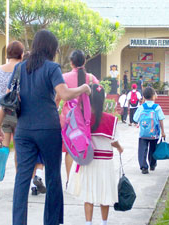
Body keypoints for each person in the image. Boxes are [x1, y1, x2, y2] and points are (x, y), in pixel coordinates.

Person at [0, 30, 91, 225]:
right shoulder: (52, 68)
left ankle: (18, 222)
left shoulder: (20, 68)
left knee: (22, 178)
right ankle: (52, 222)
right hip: (48, 129)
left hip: (24, 131)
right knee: (53, 176)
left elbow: (7, 99)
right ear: (50, 48)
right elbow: (63, 94)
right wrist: (83, 88)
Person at [0, 41, 46, 196]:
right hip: (20, 112)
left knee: (3, 148)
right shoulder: (23, 68)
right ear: (21, 54)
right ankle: (20, 183)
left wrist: (1, 98)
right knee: (20, 151)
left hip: (3, 111)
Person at [67, 84, 124, 225]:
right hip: (105, 162)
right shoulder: (111, 120)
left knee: (88, 193)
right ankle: (104, 222)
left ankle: (88, 223)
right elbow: (114, 141)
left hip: (88, 160)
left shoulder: (82, 119)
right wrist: (119, 148)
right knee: (105, 194)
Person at [56, 49, 99, 186]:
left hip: (69, 119)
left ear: (71, 62)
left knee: (70, 149)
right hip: (87, 119)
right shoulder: (92, 78)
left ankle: (70, 180)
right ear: (84, 61)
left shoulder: (64, 77)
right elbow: (99, 97)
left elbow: (57, 98)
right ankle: (84, 179)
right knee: (86, 146)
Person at [133, 87, 165, 174]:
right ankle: (152, 164)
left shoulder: (141, 107)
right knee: (153, 149)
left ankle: (144, 167)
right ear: (153, 96)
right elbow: (161, 119)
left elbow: (135, 119)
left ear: (144, 96)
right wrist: (163, 132)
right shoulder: (157, 107)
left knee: (142, 149)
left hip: (143, 133)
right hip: (154, 133)